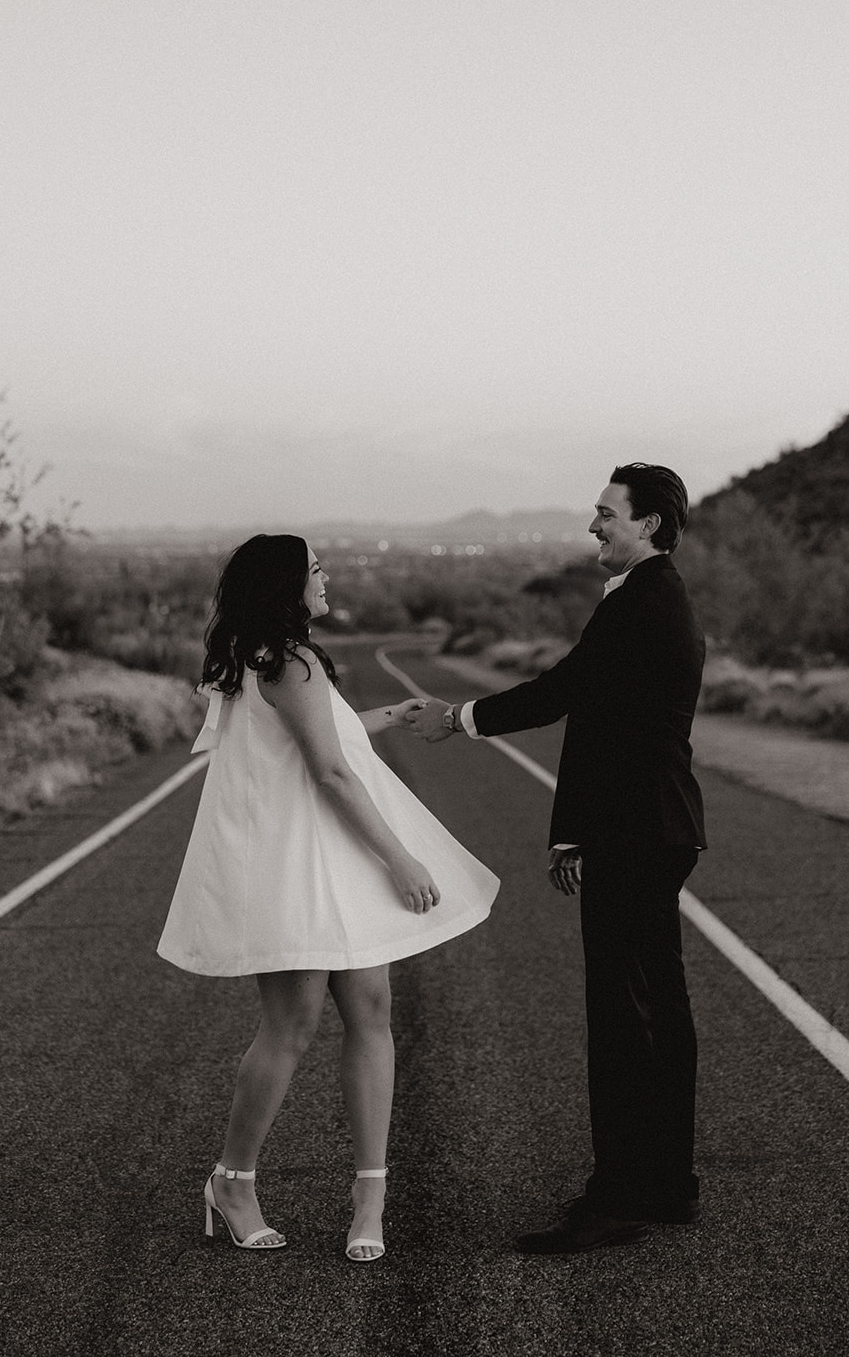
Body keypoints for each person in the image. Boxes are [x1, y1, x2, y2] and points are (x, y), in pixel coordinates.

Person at [157, 534, 499, 1262]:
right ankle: (232, 1180)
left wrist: (385, 717)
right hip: (298, 860)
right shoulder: (291, 659)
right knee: (293, 1021)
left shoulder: (271, 657)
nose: (326, 578)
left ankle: (368, 1197)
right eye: (315, 570)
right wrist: (401, 860)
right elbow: (331, 774)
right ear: (288, 586)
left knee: (370, 1010)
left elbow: (320, 736)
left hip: (320, 858)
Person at [409, 463, 705, 1254]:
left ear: (648, 524)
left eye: (606, 513)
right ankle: (667, 1184)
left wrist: (457, 716)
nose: (592, 525)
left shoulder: (643, 601)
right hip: (646, 826)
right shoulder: (647, 597)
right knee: (657, 1011)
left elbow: (562, 691)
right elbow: (603, 723)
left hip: (638, 833)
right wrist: (571, 828)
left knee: (623, 1021)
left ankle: (617, 1199)